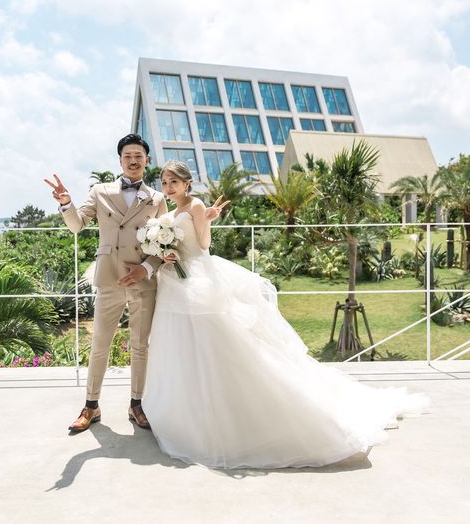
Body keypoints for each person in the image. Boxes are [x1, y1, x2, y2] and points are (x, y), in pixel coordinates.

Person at [142, 161, 428, 469]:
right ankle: (186, 410)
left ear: (187, 183)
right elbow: (174, 244)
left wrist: (207, 220)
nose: (168, 187)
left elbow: (203, 245)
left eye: (173, 182)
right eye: (164, 182)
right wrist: (166, 252)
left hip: (197, 277)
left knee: (215, 341)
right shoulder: (170, 212)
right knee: (181, 344)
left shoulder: (196, 205)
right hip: (175, 280)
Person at [44, 134, 167, 432]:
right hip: (110, 278)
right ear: (120, 160)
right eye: (128, 156)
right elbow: (77, 225)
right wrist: (66, 203)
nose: (133, 160)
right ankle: (91, 405)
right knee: (100, 343)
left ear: (146, 160)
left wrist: (145, 269)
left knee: (140, 346)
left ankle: (137, 404)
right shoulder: (100, 191)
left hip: (142, 281)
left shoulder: (156, 198)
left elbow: (167, 244)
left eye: (138, 156)